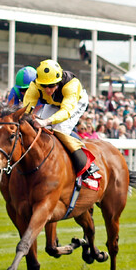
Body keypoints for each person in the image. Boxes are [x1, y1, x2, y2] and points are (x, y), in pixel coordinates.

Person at [21, 59, 99, 189]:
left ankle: (88, 167)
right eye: (44, 86)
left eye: (51, 86)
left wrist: (46, 121)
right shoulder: (35, 85)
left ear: (58, 81)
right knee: (36, 128)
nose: (48, 90)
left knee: (59, 130)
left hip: (75, 103)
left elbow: (66, 111)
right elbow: (26, 108)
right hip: (54, 103)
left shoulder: (71, 85)